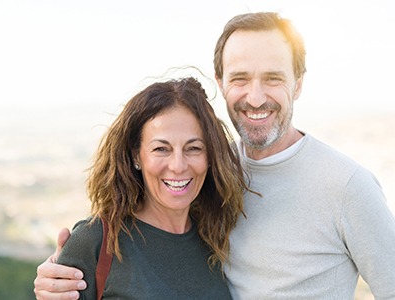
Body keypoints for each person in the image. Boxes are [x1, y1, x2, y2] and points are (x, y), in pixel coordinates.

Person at [34, 12, 395, 299]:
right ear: (221, 83)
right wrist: (57, 274)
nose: (255, 97)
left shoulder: (348, 187)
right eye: (240, 78)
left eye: (272, 78)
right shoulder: (211, 178)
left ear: (298, 84)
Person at [34, 76, 252, 299]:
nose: (178, 165)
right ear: (136, 155)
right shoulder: (96, 241)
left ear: (210, 156)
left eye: (194, 148)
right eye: (161, 149)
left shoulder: (216, 239)